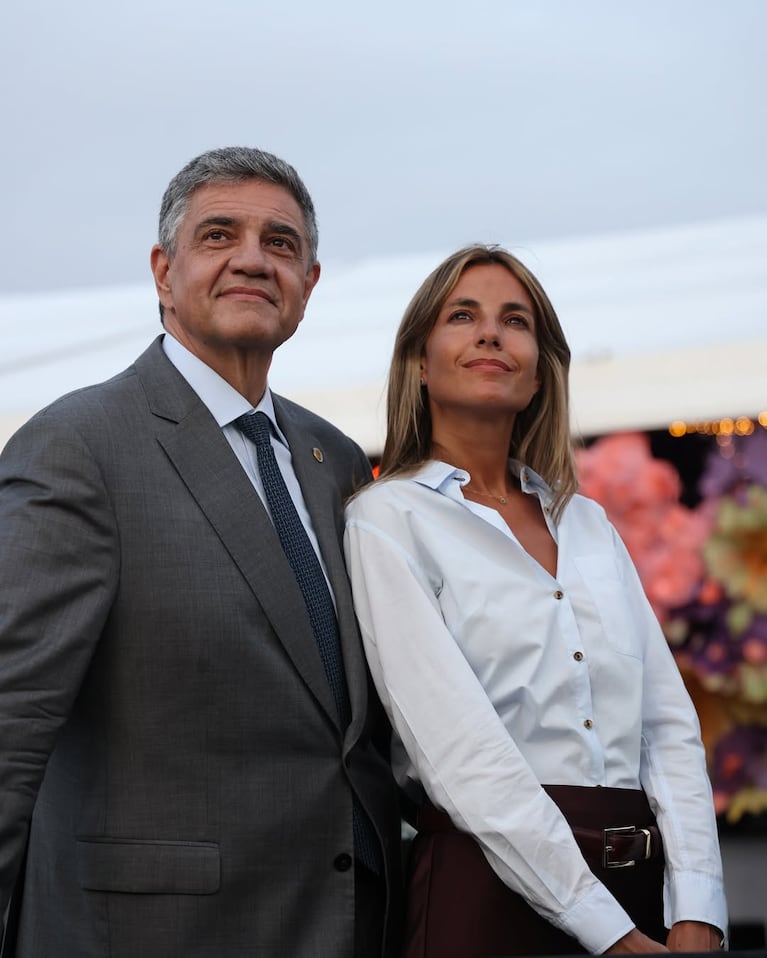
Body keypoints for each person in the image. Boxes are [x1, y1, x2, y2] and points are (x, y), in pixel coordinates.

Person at [0, 147, 403, 958]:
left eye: (280, 244)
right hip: (156, 932)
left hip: (346, 921)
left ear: (308, 287)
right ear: (163, 270)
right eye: (219, 235)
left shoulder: (337, 461)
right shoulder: (79, 445)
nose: (253, 258)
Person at [343, 245, 727, 956]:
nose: (491, 333)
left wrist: (697, 910)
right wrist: (608, 933)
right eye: (463, 315)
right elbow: (461, 756)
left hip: (643, 893)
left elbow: (666, 727)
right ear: (419, 363)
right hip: (488, 893)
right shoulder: (387, 520)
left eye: (514, 320)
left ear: (539, 369)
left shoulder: (587, 524)